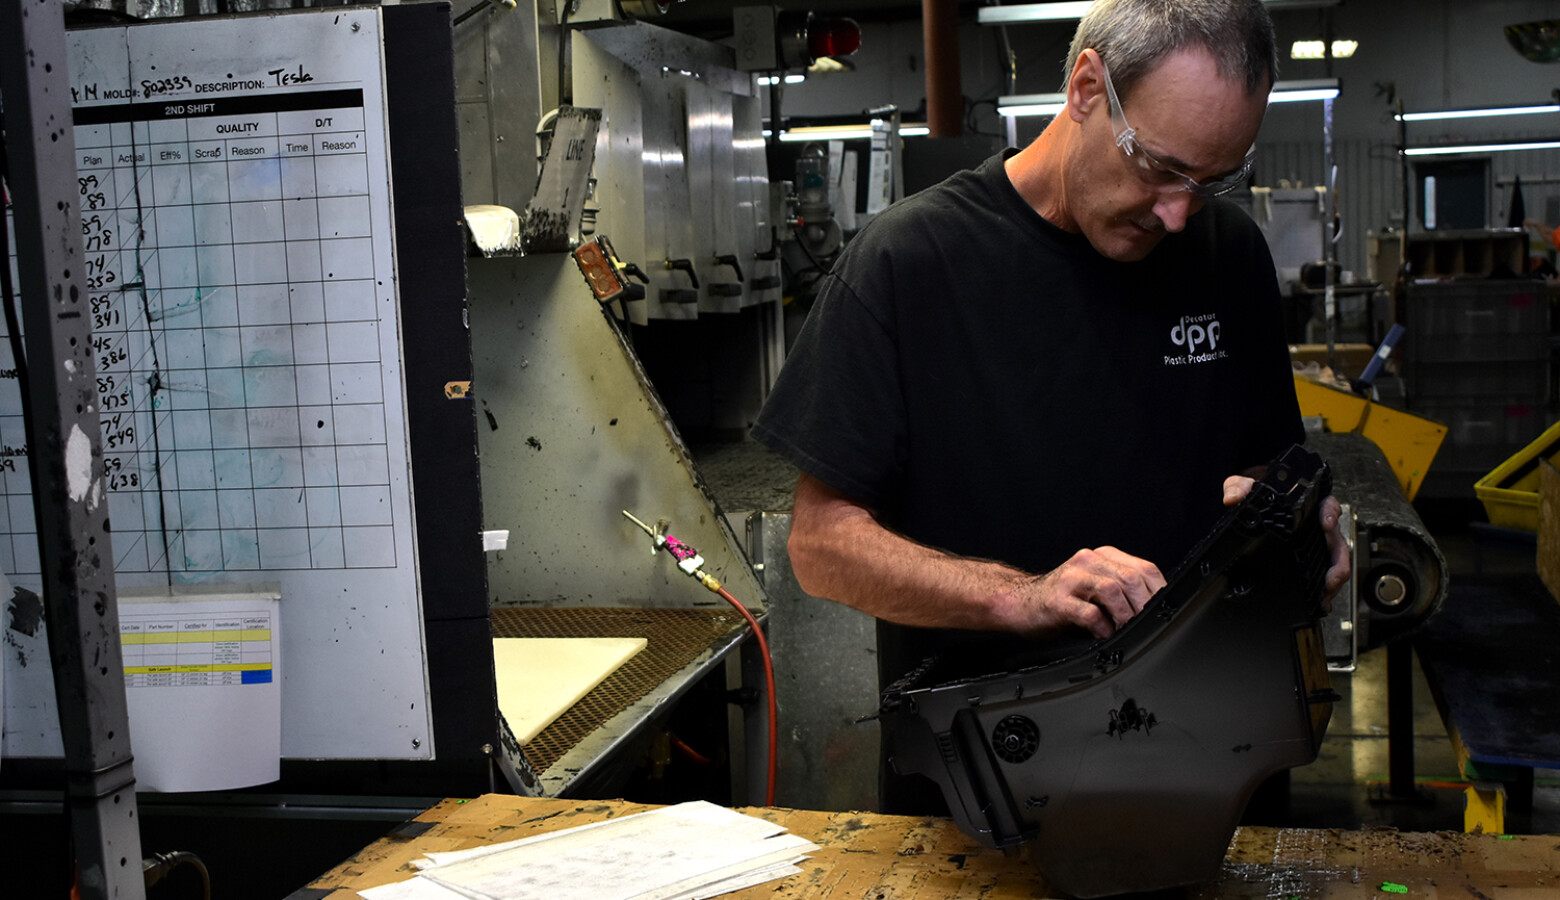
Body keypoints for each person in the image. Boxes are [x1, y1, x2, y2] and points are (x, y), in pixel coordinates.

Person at [750, 0, 1352, 811]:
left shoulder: (1228, 254)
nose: (1179, 213)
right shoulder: (909, 265)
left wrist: (1299, 532)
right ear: (1085, 87)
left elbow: (1262, 467)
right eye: (1161, 168)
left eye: (1213, 181)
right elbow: (820, 546)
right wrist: (1021, 596)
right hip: (989, 791)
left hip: (1210, 777)